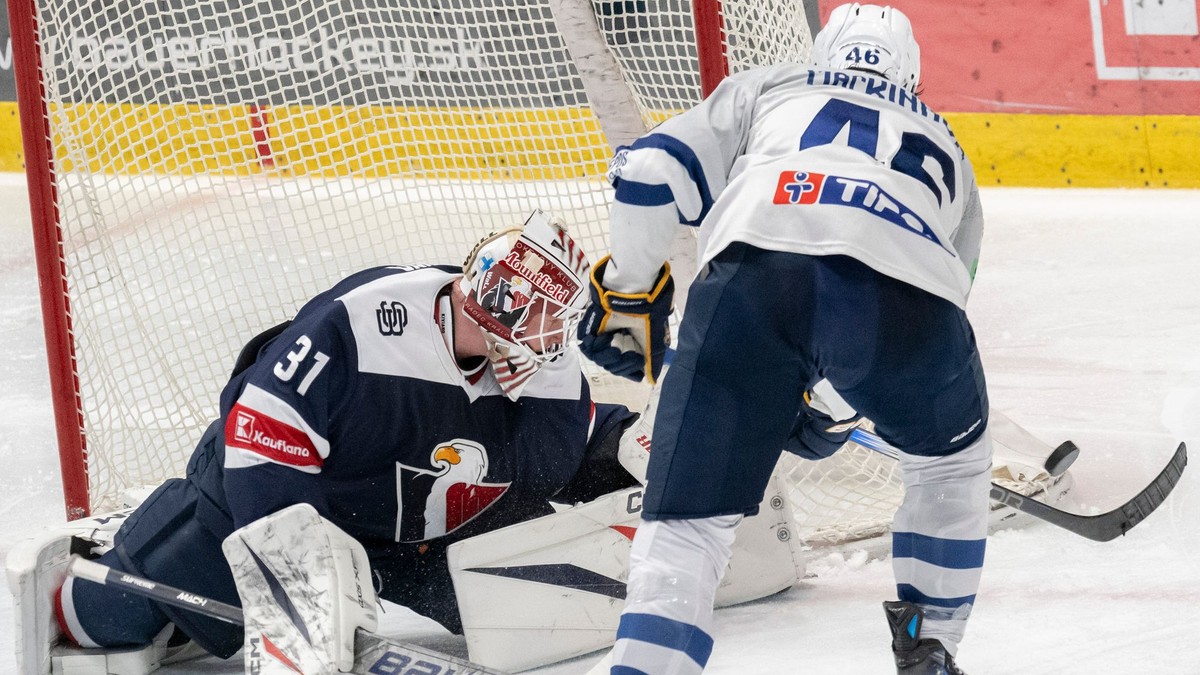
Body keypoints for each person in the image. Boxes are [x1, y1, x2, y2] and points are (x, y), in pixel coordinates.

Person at [578, 4, 989, 674]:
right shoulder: (952, 154)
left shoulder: (774, 85)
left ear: (821, 55)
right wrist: (830, 400)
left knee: (687, 524)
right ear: (913, 82)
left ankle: (645, 664)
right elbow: (943, 305)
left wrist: (629, 292)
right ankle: (929, 645)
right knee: (950, 465)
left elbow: (650, 174)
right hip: (908, 297)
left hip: (750, 284)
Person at [41, 210, 640, 663]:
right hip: (269, 499)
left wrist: (584, 406)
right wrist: (303, 582)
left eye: (552, 327)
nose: (548, 336)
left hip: (407, 544)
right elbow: (261, 435)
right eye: (540, 319)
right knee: (93, 620)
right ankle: (128, 546)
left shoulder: (534, 368)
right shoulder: (364, 318)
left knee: (550, 610)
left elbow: (544, 473)